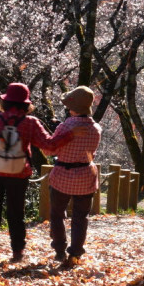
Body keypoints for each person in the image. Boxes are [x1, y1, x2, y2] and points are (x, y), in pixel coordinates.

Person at [0, 83, 79, 265]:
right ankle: (18, 252)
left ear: (4, 102)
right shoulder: (31, 123)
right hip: (19, 174)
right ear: (26, 104)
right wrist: (69, 134)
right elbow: (49, 145)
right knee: (16, 213)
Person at [45, 86, 102, 267]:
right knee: (80, 217)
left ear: (73, 106)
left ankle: (60, 249)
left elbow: (52, 148)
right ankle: (75, 253)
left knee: (56, 214)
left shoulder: (65, 126)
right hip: (86, 175)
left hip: (63, 174)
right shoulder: (96, 128)